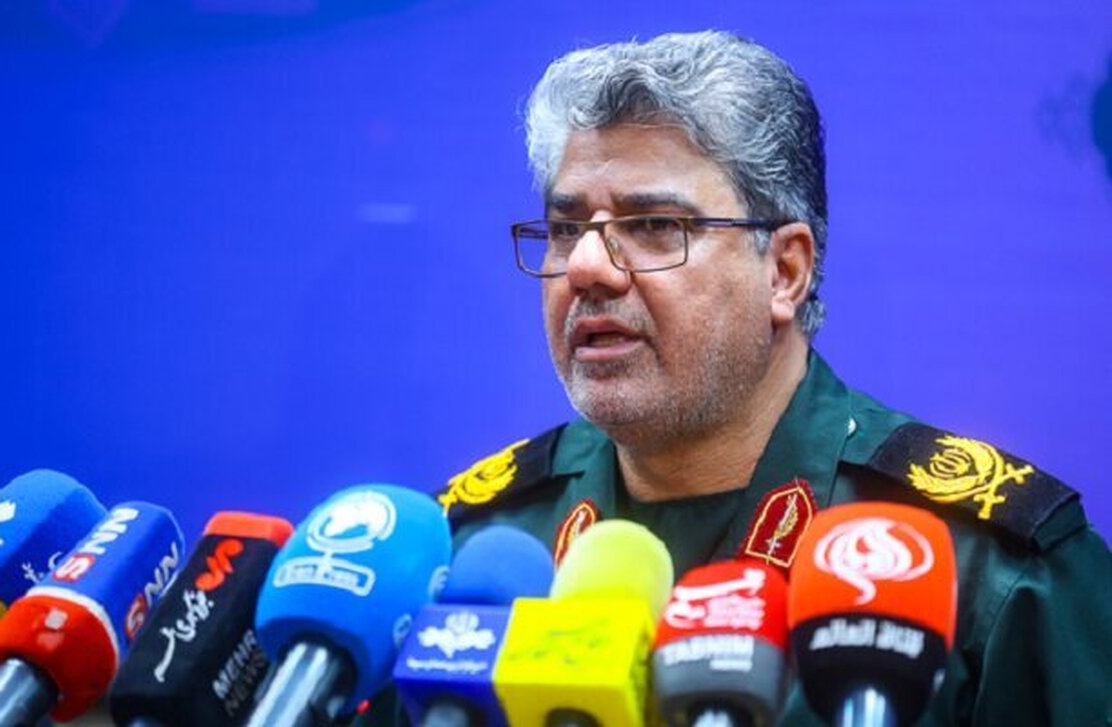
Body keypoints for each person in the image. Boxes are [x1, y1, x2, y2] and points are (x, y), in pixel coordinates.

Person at [363, 30, 1112, 726]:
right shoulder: (473, 559)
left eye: (654, 226)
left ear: (785, 271)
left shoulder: (987, 571)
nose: (586, 267)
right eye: (565, 229)